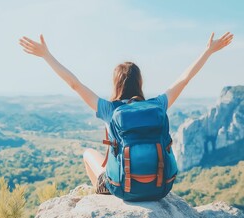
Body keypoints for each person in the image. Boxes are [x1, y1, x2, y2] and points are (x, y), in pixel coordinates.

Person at [19, 32, 233, 195]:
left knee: (87, 154)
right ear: (139, 83)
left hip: (122, 188)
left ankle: (103, 193)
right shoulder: (157, 106)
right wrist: (208, 51)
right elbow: (184, 80)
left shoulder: (109, 109)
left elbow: (75, 84)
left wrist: (46, 55)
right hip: (160, 187)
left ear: (116, 83)